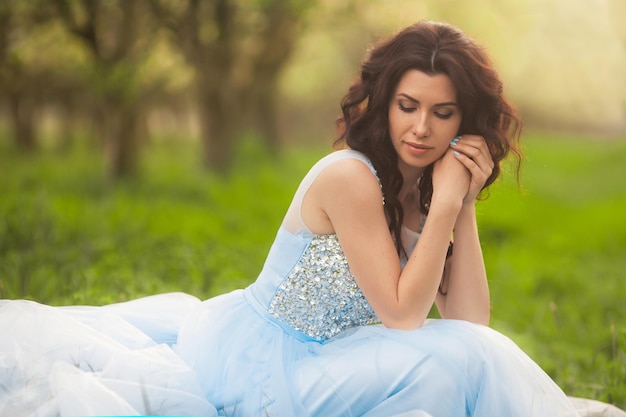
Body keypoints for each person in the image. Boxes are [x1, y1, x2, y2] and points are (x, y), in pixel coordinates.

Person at [0, 21, 592, 417]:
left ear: (465, 121)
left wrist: (461, 202)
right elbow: (404, 314)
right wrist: (444, 205)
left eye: (443, 114)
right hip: (273, 357)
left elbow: (470, 320)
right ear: (383, 103)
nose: (421, 129)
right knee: (449, 364)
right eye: (407, 107)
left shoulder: (433, 183)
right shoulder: (350, 179)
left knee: (462, 357)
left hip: (344, 351)